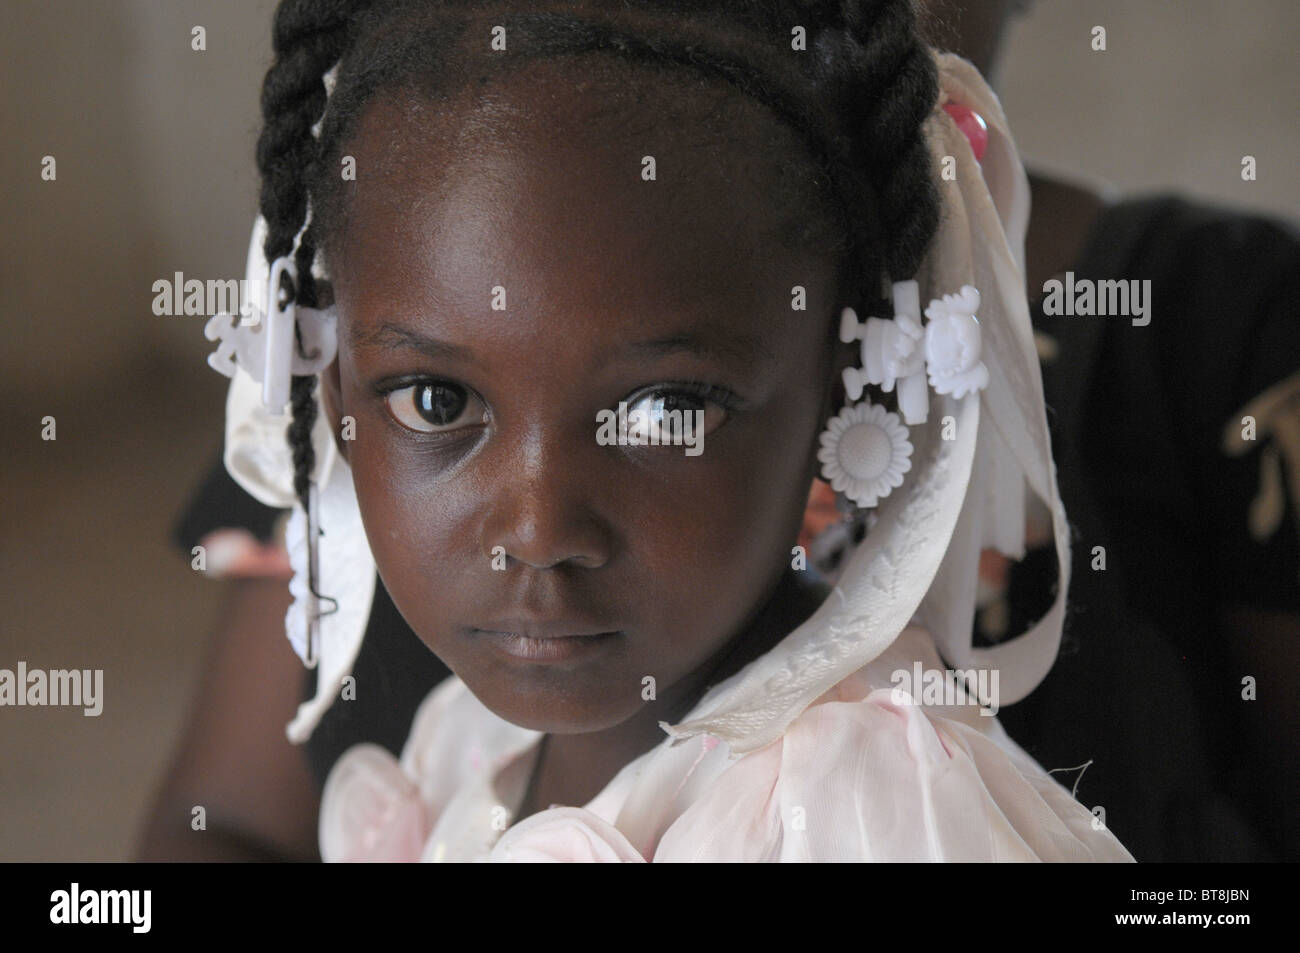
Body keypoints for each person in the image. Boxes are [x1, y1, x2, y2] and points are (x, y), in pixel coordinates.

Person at [139, 0, 1281, 862]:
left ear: (847, 393)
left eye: (664, 409)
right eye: (438, 402)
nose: (538, 529)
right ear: (332, 387)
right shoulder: (459, 743)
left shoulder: (866, 805)